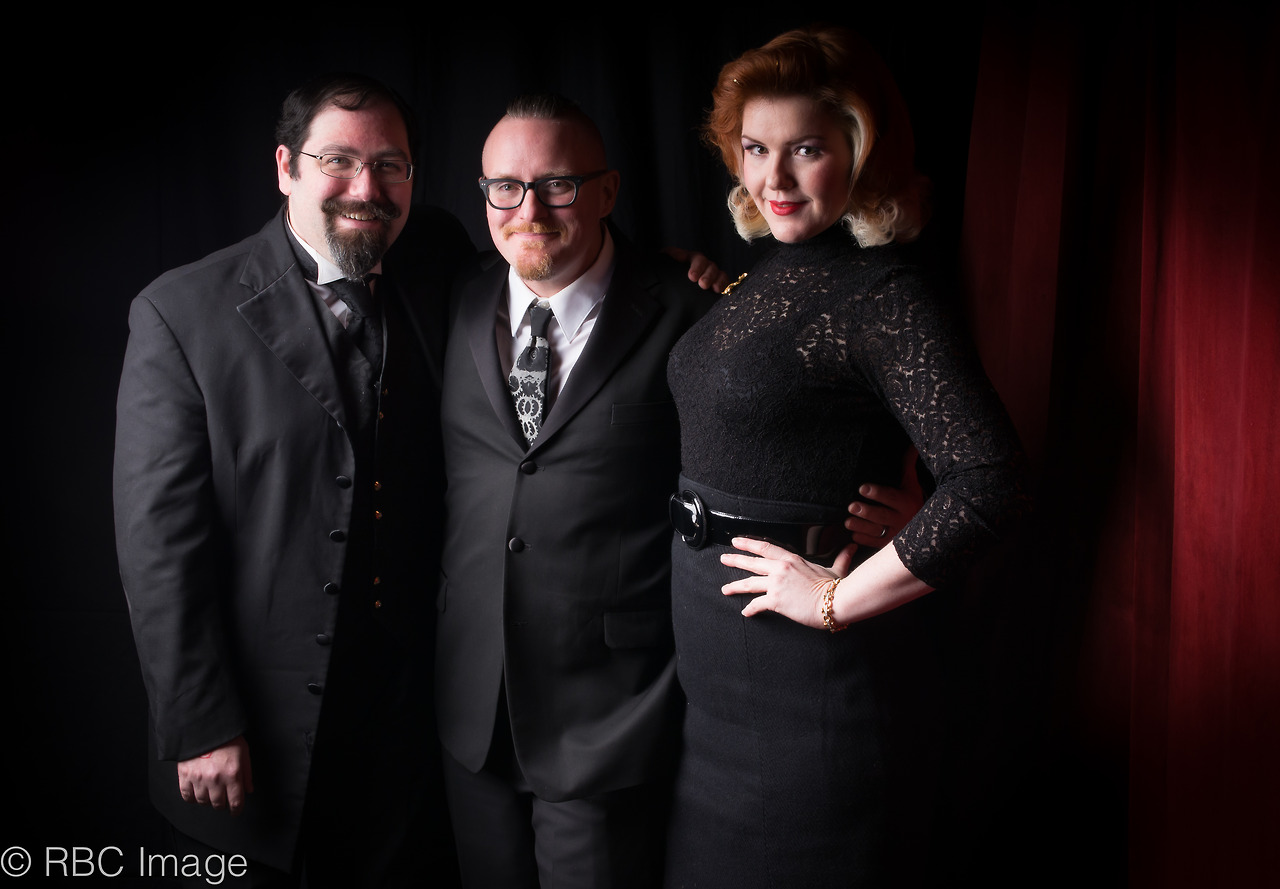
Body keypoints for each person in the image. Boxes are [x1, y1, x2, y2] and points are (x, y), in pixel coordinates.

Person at [663, 27, 1031, 889]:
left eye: (807, 149)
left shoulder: (882, 291)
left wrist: (833, 599)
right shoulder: (767, 272)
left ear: (862, 152)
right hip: (718, 696)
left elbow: (991, 482)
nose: (774, 179)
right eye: (756, 148)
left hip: (809, 699)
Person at [113, 73, 470, 887]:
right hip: (258, 728)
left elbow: (546, 262)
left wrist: (663, 270)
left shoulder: (439, 255)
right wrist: (201, 721)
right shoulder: (180, 312)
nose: (366, 189)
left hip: (412, 731)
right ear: (285, 167)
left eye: (390, 165)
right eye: (338, 161)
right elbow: (158, 545)